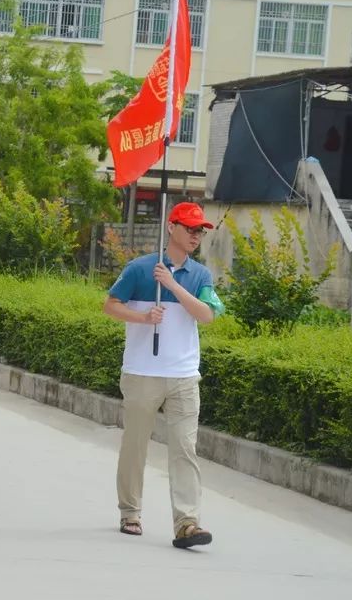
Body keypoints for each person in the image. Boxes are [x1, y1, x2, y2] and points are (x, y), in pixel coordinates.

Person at [103, 201, 224, 549]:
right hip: (142, 373)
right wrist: (143, 318)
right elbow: (110, 305)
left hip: (184, 376)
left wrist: (172, 284)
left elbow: (207, 315)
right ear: (171, 227)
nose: (196, 236)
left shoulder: (200, 275)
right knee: (135, 446)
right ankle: (130, 512)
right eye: (190, 228)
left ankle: (187, 523)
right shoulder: (140, 270)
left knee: (185, 448)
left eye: (200, 230)